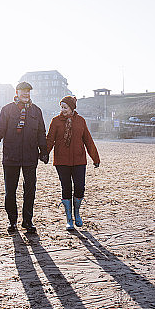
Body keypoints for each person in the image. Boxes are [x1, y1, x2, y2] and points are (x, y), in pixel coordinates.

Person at [0, 81, 48, 234]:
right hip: (11, 157)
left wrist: (44, 150)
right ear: (17, 92)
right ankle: (12, 221)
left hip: (30, 157)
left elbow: (41, 133)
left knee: (30, 190)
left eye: (28, 91)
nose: (26, 94)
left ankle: (27, 221)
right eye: (23, 91)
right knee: (10, 192)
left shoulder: (36, 111)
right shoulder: (7, 110)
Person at [46, 95, 100, 231]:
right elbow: (50, 139)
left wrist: (95, 158)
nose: (63, 110)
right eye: (61, 107)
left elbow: (88, 140)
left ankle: (77, 213)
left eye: (65, 107)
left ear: (72, 108)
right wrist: (43, 153)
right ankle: (69, 218)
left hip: (79, 160)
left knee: (80, 187)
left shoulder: (80, 121)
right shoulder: (56, 121)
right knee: (66, 188)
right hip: (61, 161)